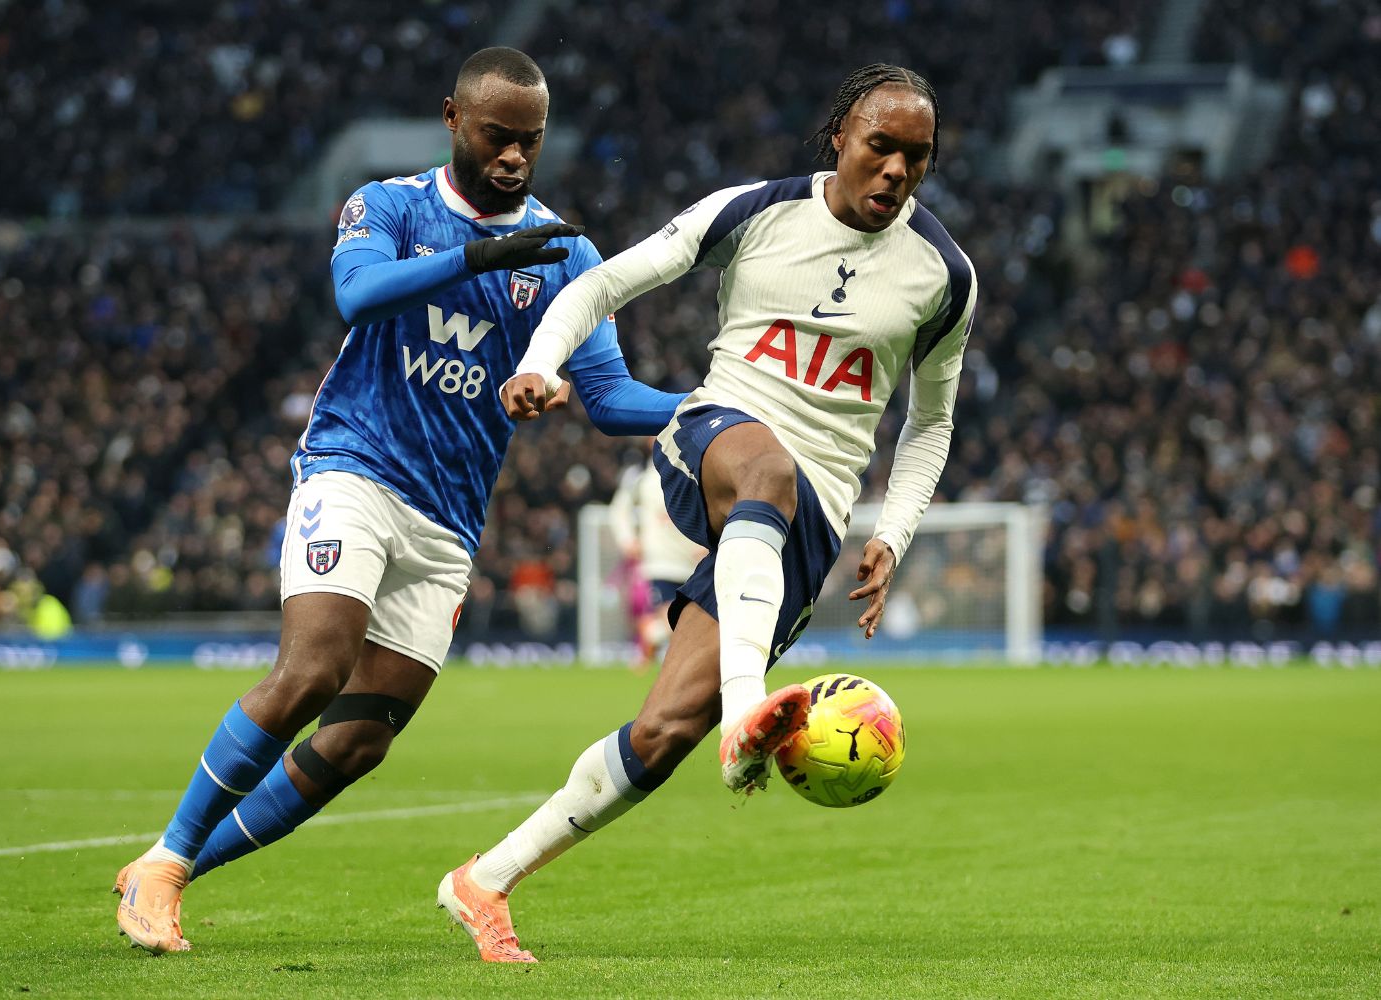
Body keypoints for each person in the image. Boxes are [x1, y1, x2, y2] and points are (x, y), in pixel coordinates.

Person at [112, 46, 683, 955]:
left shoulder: (569, 253)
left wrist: (717, 403)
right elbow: (357, 294)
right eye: (498, 136)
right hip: (353, 468)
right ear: (453, 117)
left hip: (448, 519)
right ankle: (168, 855)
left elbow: (611, 399)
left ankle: (168, 869)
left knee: (359, 742)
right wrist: (477, 256)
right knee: (313, 671)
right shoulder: (387, 205)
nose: (514, 158)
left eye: (530, 142)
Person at [438, 62, 976, 963]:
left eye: (916, 159)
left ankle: (484, 881)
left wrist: (892, 532)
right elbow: (598, 286)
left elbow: (932, 422)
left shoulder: (944, 276)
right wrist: (540, 360)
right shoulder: (753, 211)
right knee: (765, 464)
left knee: (663, 730)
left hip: (814, 515)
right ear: (841, 134)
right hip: (717, 437)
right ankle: (747, 716)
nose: (896, 171)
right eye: (881, 147)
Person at [606, 449, 707, 668]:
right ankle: (652, 642)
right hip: (660, 561)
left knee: (689, 619)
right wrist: (627, 539)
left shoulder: (696, 471)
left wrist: (707, 543)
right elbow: (619, 510)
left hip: (694, 562)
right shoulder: (643, 477)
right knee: (674, 615)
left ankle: (652, 636)